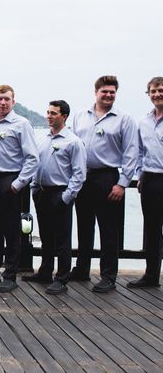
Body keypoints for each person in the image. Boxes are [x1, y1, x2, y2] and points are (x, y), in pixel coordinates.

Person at [70, 75, 138, 293]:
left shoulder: (124, 119)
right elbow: (72, 146)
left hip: (107, 178)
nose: (108, 95)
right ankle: (81, 269)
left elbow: (131, 153)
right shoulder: (80, 116)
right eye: (104, 91)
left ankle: (108, 275)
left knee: (109, 229)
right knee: (84, 225)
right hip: (83, 177)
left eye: (112, 92)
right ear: (96, 92)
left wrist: (122, 183)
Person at [0, 85, 39, 293]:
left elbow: (32, 158)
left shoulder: (22, 124)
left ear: (13, 101)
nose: (3, 102)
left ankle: (10, 274)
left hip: (10, 180)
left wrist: (18, 183)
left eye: (7, 99)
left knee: (12, 230)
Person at [25, 100, 86, 295]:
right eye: (48, 112)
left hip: (60, 193)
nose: (49, 116)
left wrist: (67, 197)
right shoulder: (42, 139)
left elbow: (79, 174)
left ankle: (61, 278)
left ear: (64, 116)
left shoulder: (73, 142)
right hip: (42, 192)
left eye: (54, 113)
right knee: (46, 236)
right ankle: (45, 271)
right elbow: (36, 164)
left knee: (62, 238)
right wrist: (34, 187)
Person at [129, 77, 163, 288]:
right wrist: (140, 174)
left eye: (160, 90)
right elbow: (139, 151)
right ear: (148, 94)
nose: (157, 94)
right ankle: (151, 276)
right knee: (151, 229)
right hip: (150, 178)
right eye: (153, 91)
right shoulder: (144, 122)